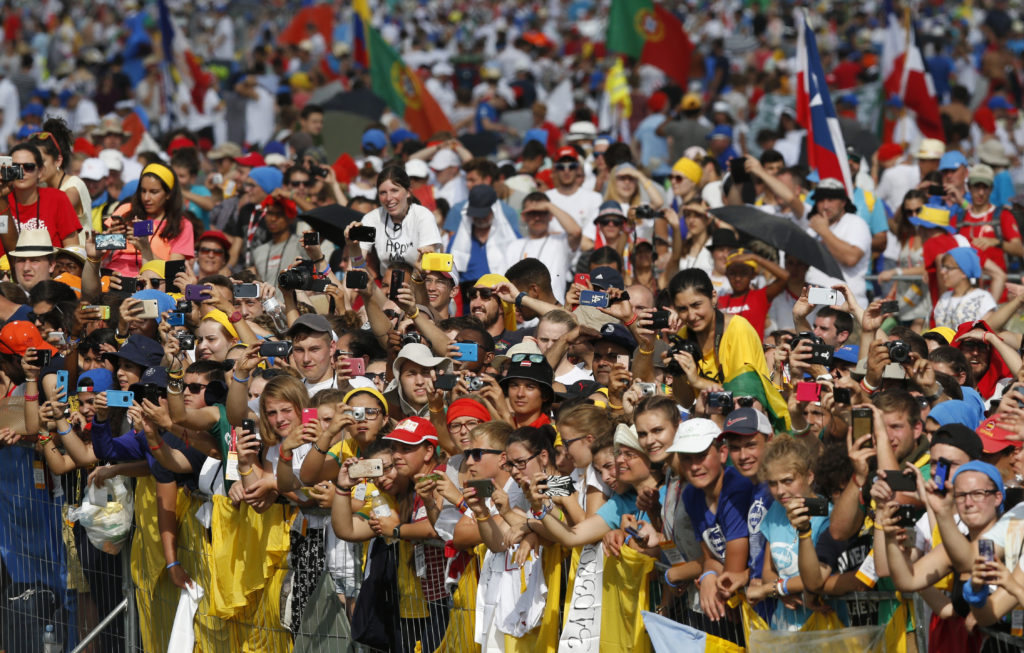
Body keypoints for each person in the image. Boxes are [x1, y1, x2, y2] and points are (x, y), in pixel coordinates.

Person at [346, 166, 441, 276]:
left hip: (419, 284)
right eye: (383, 193)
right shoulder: (372, 218)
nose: (388, 198)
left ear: (408, 192)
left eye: (394, 190)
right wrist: (353, 247)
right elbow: (355, 266)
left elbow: (429, 269)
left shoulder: (423, 216)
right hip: (387, 287)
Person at [103, 163, 194, 277]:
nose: (146, 198)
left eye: (154, 192)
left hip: (152, 283)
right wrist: (108, 240)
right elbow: (100, 255)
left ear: (168, 194)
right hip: (114, 277)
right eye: (143, 191)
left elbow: (174, 274)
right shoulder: (126, 210)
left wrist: (146, 249)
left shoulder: (182, 224)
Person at [0, 142, 81, 255]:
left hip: (51, 270)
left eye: (29, 167)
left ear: (40, 171)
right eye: (15, 167)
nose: (22, 172)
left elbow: (73, 248)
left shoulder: (57, 198)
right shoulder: (1, 200)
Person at [804, 178, 872, 307]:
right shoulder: (812, 228)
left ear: (843, 202)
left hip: (846, 307)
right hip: (817, 307)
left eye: (831, 200)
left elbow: (851, 258)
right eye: (821, 200)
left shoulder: (855, 223)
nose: (825, 206)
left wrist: (824, 231)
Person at [932, 247, 998, 328]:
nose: (942, 272)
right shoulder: (945, 297)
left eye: (948, 268)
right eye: (943, 267)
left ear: (964, 272)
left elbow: (986, 330)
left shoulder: (983, 298)